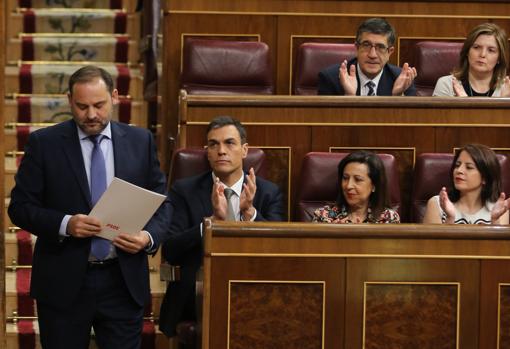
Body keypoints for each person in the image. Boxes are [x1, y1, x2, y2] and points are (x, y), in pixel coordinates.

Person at [8, 65, 170, 349]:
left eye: (99, 105)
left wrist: (147, 237)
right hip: (63, 282)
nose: (91, 114)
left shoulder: (140, 141)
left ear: (115, 97)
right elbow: (20, 207)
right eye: (82, 106)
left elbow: (162, 204)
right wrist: (65, 224)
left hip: (122, 280)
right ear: (69, 100)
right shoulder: (44, 144)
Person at [159, 116, 284, 337]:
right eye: (213, 144)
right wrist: (210, 225)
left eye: (229, 143)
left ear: (245, 150)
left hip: (253, 286)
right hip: (198, 292)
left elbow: (278, 249)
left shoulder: (268, 192)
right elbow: (170, 248)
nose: (221, 150)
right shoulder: (184, 190)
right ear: (207, 152)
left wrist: (249, 214)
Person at [317, 18, 417, 96]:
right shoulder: (331, 79)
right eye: (366, 45)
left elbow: (410, 120)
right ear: (357, 48)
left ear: (390, 52)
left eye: (380, 47)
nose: (372, 55)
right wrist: (349, 97)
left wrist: (398, 96)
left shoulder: (403, 80)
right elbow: (326, 120)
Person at [423, 144, 510, 224]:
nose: (459, 170)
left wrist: (495, 221)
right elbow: (433, 241)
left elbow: (499, 241)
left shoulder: (499, 208)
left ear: (485, 178)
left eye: (469, 167)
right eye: (457, 165)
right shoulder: (437, 204)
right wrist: (450, 218)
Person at [313, 150, 400, 224]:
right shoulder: (324, 216)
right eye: (345, 178)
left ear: (374, 185)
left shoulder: (388, 218)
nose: (348, 186)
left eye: (358, 179)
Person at [433, 23, 510, 97]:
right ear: (467, 51)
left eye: (491, 50)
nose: (482, 54)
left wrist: (504, 102)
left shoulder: (507, 89)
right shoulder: (446, 85)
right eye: (476, 47)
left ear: (499, 58)